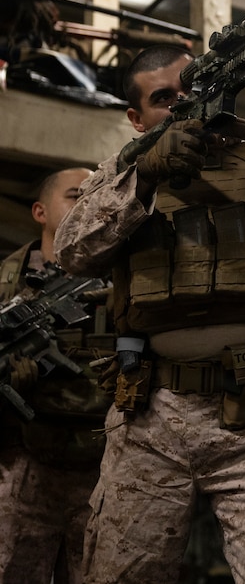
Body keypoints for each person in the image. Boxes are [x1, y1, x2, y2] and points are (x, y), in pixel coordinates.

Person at [53, 38, 245, 583]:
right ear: (136, 117)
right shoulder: (122, 176)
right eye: (161, 98)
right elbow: (72, 250)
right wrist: (145, 178)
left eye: (189, 88)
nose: (179, 104)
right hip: (151, 413)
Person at [0, 166, 110, 584]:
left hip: (99, 471)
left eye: (92, 195)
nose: (86, 203)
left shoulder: (124, 279)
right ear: (40, 212)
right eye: (73, 195)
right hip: (28, 466)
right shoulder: (7, 283)